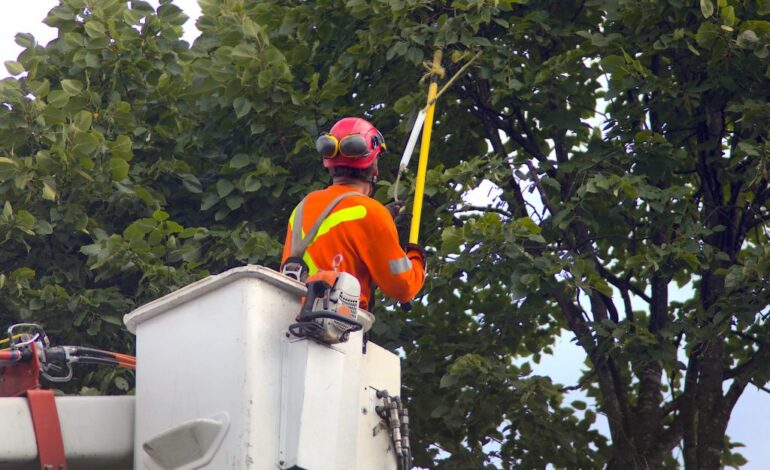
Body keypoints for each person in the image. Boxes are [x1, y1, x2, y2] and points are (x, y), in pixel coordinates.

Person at [281, 117, 425, 311]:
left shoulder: (302, 207)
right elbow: (403, 287)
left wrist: (383, 219)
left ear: (329, 163)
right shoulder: (371, 213)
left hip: (290, 319)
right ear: (373, 166)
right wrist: (416, 257)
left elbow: (336, 237)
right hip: (338, 329)